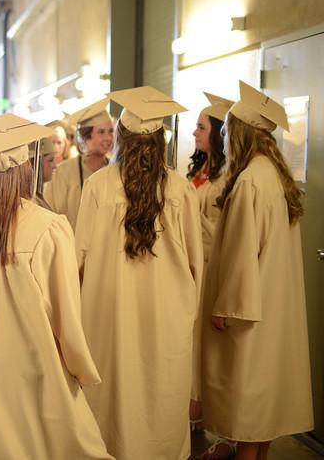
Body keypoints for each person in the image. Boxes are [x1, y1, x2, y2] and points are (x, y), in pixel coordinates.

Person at [0, 113, 111, 460]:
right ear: (24, 168)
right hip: (35, 375)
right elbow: (66, 317)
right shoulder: (48, 229)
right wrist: (80, 367)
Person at [74, 86, 203, 459]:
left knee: (113, 402)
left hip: (109, 316)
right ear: (161, 140)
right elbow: (197, 262)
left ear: (122, 138)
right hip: (166, 315)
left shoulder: (98, 185)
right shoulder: (180, 189)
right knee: (160, 395)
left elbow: (78, 257)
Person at [201, 81, 313, 460]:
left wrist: (224, 306)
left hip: (250, 308)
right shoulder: (275, 176)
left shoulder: (250, 180)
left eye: (228, 131)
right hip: (272, 303)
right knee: (264, 404)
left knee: (247, 403)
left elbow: (241, 253)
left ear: (241, 135)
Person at [185, 91, 232, 454]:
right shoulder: (197, 169)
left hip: (211, 269)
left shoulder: (229, 175)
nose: (195, 133)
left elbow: (223, 232)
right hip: (191, 269)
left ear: (217, 131)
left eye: (201, 127)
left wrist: (190, 222)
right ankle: (194, 411)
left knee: (211, 347)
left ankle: (218, 422)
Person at [43, 98, 113, 228]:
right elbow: (52, 214)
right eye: (101, 132)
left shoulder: (114, 170)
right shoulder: (64, 172)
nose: (108, 138)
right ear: (86, 136)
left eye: (111, 131)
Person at [29, 136, 57, 209]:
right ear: (36, 163)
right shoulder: (30, 200)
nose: (55, 166)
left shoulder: (39, 195)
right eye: (51, 160)